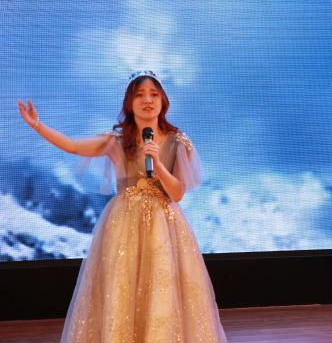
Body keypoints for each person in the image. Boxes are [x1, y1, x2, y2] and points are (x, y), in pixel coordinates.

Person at [18, 71, 228, 342]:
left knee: (162, 288)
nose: (147, 100)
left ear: (163, 101)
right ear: (129, 103)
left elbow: (177, 193)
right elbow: (73, 146)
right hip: (124, 224)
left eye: (154, 94)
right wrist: (37, 125)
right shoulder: (116, 141)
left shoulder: (178, 142)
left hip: (165, 226)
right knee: (122, 286)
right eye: (140, 95)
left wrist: (158, 164)